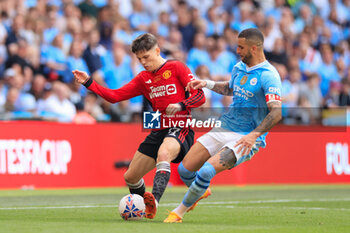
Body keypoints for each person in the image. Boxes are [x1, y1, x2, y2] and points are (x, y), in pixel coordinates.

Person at [72, 33, 205, 219]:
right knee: (131, 177)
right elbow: (115, 96)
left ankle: (154, 203)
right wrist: (88, 82)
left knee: (164, 154)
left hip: (180, 127)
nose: (143, 62)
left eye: (146, 57)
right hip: (159, 129)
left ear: (157, 51)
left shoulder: (177, 67)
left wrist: (181, 105)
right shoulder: (143, 78)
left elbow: (200, 96)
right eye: (139, 58)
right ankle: (146, 204)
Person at [164, 28, 282, 223]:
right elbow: (230, 88)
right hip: (226, 126)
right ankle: (199, 190)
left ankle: (178, 212)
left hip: (246, 136)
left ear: (254, 48)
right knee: (184, 171)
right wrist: (206, 84)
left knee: (206, 171)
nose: (237, 50)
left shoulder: (269, 75)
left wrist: (253, 136)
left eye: (241, 47)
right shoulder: (239, 67)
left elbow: (276, 112)